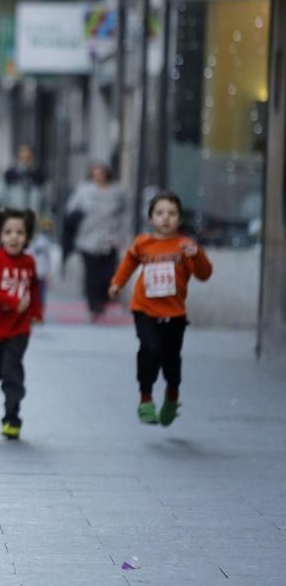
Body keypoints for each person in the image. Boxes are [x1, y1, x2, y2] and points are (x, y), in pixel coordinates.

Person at [108, 191, 212, 426]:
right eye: (160, 213)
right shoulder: (142, 243)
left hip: (174, 314)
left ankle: (172, 396)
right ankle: (145, 398)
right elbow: (128, 263)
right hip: (145, 309)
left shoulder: (186, 246)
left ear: (180, 219)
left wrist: (198, 256)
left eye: (172, 213)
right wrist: (117, 283)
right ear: (150, 218)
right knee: (149, 350)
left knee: (171, 358)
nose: (166, 218)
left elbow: (204, 274)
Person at [0, 208, 42, 440]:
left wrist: (36, 312)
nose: (14, 237)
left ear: (28, 237)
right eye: (8, 232)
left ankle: (12, 417)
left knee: (13, 372)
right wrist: (11, 302)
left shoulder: (29, 262)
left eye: (20, 232)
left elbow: (34, 288)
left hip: (18, 329)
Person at [66, 162, 127, 321]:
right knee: (91, 275)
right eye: (96, 172)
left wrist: (122, 235)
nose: (99, 175)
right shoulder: (84, 190)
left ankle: (103, 300)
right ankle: (94, 307)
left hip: (110, 238)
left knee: (107, 274)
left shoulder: (117, 191)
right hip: (88, 238)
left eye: (101, 172)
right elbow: (71, 208)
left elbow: (125, 213)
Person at [0, 143, 45, 212]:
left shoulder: (39, 176)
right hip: (15, 215)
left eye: (28, 158)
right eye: (22, 158)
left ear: (33, 158)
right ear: (17, 158)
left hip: (34, 215)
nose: (25, 162)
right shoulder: (9, 175)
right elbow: (1, 197)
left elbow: (46, 199)